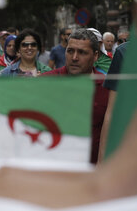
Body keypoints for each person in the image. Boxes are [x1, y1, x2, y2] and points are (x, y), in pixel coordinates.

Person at [40, 29, 108, 164]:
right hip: (52, 168)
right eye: (70, 51)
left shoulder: (107, 87)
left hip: (91, 172)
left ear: (95, 56)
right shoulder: (45, 82)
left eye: (82, 52)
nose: (75, 57)